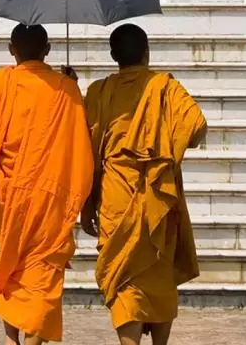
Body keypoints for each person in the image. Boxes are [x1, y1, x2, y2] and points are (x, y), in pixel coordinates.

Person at [81, 24, 208, 345]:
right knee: (157, 271)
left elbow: (86, 148)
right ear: (147, 52)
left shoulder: (98, 92)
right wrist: (167, 148)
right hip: (156, 196)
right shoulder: (164, 87)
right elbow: (197, 127)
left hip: (115, 195)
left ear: (113, 56)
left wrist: (86, 203)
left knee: (125, 278)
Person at [0, 24, 94, 345]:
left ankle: (13, 340)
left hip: (10, 196)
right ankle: (34, 339)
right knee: (43, 268)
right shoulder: (65, 89)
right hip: (51, 196)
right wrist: (70, 88)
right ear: (48, 49)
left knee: (12, 265)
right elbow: (80, 144)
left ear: (12, 49)